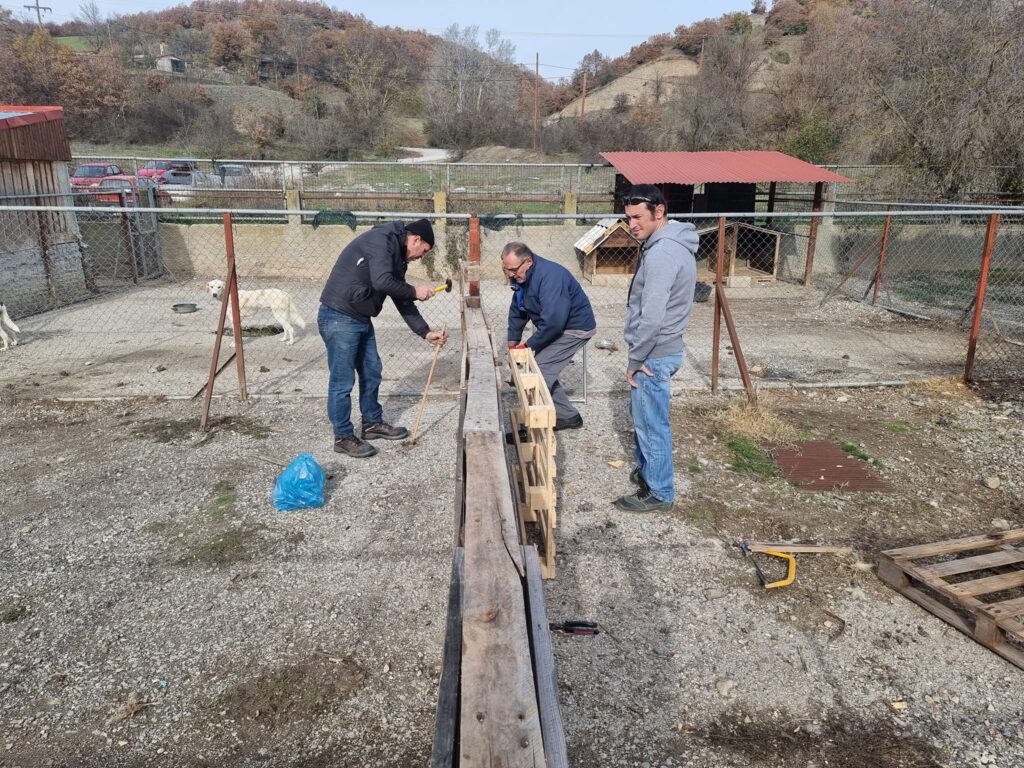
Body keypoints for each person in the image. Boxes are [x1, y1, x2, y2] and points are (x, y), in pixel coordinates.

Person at [318, 218, 447, 458]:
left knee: (372, 371)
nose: (422, 257)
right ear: (416, 239)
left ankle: (371, 423)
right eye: (424, 251)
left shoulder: (396, 255)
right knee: (342, 381)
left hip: (360, 317)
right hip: (339, 316)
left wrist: (425, 332)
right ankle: (343, 436)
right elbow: (382, 282)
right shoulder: (382, 240)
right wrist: (415, 290)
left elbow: (401, 297)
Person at [615, 185, 698, 512]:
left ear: (659, 212)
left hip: (653, 353)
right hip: (662, 348)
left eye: (638, 217)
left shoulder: (663, 253)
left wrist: (635, 359)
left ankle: (660, 491)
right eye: (628, 218)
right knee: (645, 417)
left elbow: (652, 315)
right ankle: (649, 471)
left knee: (652, 425)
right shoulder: (671, 244)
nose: (632, 224)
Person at [503, 241, 596, 430]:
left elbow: (554, 322)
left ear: (528, 261)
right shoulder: (522, 277)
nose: (510, 274)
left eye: (513, 269)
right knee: (541, 369)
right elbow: (518, 310)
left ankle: (534, 428)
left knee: (537, 371)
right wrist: (513, 344)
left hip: (574, 328)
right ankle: (568, 416)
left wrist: (527, 346)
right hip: (556, 327)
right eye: (506, 269)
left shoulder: (550, 276)